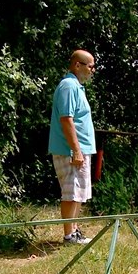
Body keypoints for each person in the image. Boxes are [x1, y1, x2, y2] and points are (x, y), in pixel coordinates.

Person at [48, 49, 97, 244]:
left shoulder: (76, 87)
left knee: (79, 192)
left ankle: (74, 232)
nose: (93, 70)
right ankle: (69, 235)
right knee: (71, 191)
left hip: (80, 150)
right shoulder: (68, 86)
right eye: (91, 66)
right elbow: (66, 120)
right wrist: (76, 149)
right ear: (78, 65)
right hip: (71, 151)